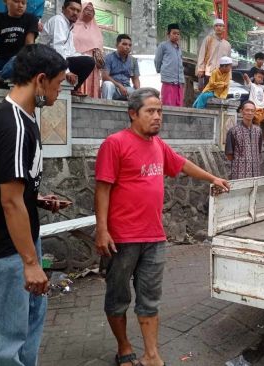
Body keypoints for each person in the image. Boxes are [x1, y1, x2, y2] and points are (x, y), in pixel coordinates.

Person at [94, 87, 230, 366]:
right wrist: (103, 229)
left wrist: (212, 178)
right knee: (118, 297)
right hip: (122, 238)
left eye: (160, 112)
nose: (157, 117)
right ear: (133, 114)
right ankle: (123, 347)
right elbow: (102, 189)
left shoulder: (158, 146)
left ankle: (151, 353)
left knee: (150, 299)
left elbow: (181, 164)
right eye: (150, 111)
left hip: (154, 237)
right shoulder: (115, 143)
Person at [0, 44, 69, 366]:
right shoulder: (14, 125)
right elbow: (10, 203)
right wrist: (31, 263)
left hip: (19, 242)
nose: (59, 89)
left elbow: (11, 187)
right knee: (5, 341)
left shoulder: (26, 117)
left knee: (31, 320)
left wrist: (36, 199)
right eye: (58, 83)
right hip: (2, 250)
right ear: (40, 79)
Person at [40, 0, 96, 97]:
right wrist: (66, 71)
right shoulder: (58, 20)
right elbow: (58, 47)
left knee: (89, 60)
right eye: (72, 9)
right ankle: (72, 88)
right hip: (46, 61)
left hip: (55, 60)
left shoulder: (69, 25)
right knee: (88, 62)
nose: (75, 13)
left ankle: (71, 88)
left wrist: (84, 56)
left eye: (78, 11)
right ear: (63, 9)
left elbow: (70, 52)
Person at [72, 1, 103, 98]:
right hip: (78, 61)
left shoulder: (96, 29)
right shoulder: (73, 26)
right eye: (86, 9)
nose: (89, 12)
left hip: (92, 65)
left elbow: (99, 46)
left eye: (92, 10)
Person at [226, 100, 264, 179]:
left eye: (252, 111)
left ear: (254, 113)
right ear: (241, 111)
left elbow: (259, 151)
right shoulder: (233, 131)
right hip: (239, 173)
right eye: (247, 110)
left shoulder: (258, 131)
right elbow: (229, 154)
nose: (250, 113)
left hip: (256, 173)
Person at [243, 69, 264, 144]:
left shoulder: (262, 87)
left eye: (262, 78)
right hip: (255, 109)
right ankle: (256, 139)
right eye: (259, 77)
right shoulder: (252, 85)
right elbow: (247, 78)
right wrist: (246, 76)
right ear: (255, 76)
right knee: (258, 120)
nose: (260, 79)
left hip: (263, 109)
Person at [154, 23, 186, 107]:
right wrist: (159, 70)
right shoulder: (163, 46)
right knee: (167, 104)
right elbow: (157, 60)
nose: (176, 36)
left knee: (178, 104)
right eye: (174, 33)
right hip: (168, 80)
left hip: (179, 81)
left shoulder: (179, 48)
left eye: (178, 34)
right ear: (168, 34)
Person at [196, 18, 231, 90]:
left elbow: (229, 62)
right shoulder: (208, 39)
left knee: (219, 97)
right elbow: (202, 54)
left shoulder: (227, 44)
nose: (218, 27)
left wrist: (229, 75)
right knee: (207, 94)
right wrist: (200, 69)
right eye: (216, 25)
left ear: (224, 28)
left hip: (221, 75)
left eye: (221, 26)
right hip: (209, 73)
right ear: (214, 28)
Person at [102, 34, 140, 100]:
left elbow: (135, 79)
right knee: (107, 84)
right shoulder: (109, 58)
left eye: (129, 45)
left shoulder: (133, 60)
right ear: (117, 45)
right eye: (124, 44)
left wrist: (139, 92)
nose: (127, 47)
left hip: (126, 89)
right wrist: (119, 86)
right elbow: (105, 77)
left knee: (137, 94)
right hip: (113, 87)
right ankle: (107, 108)